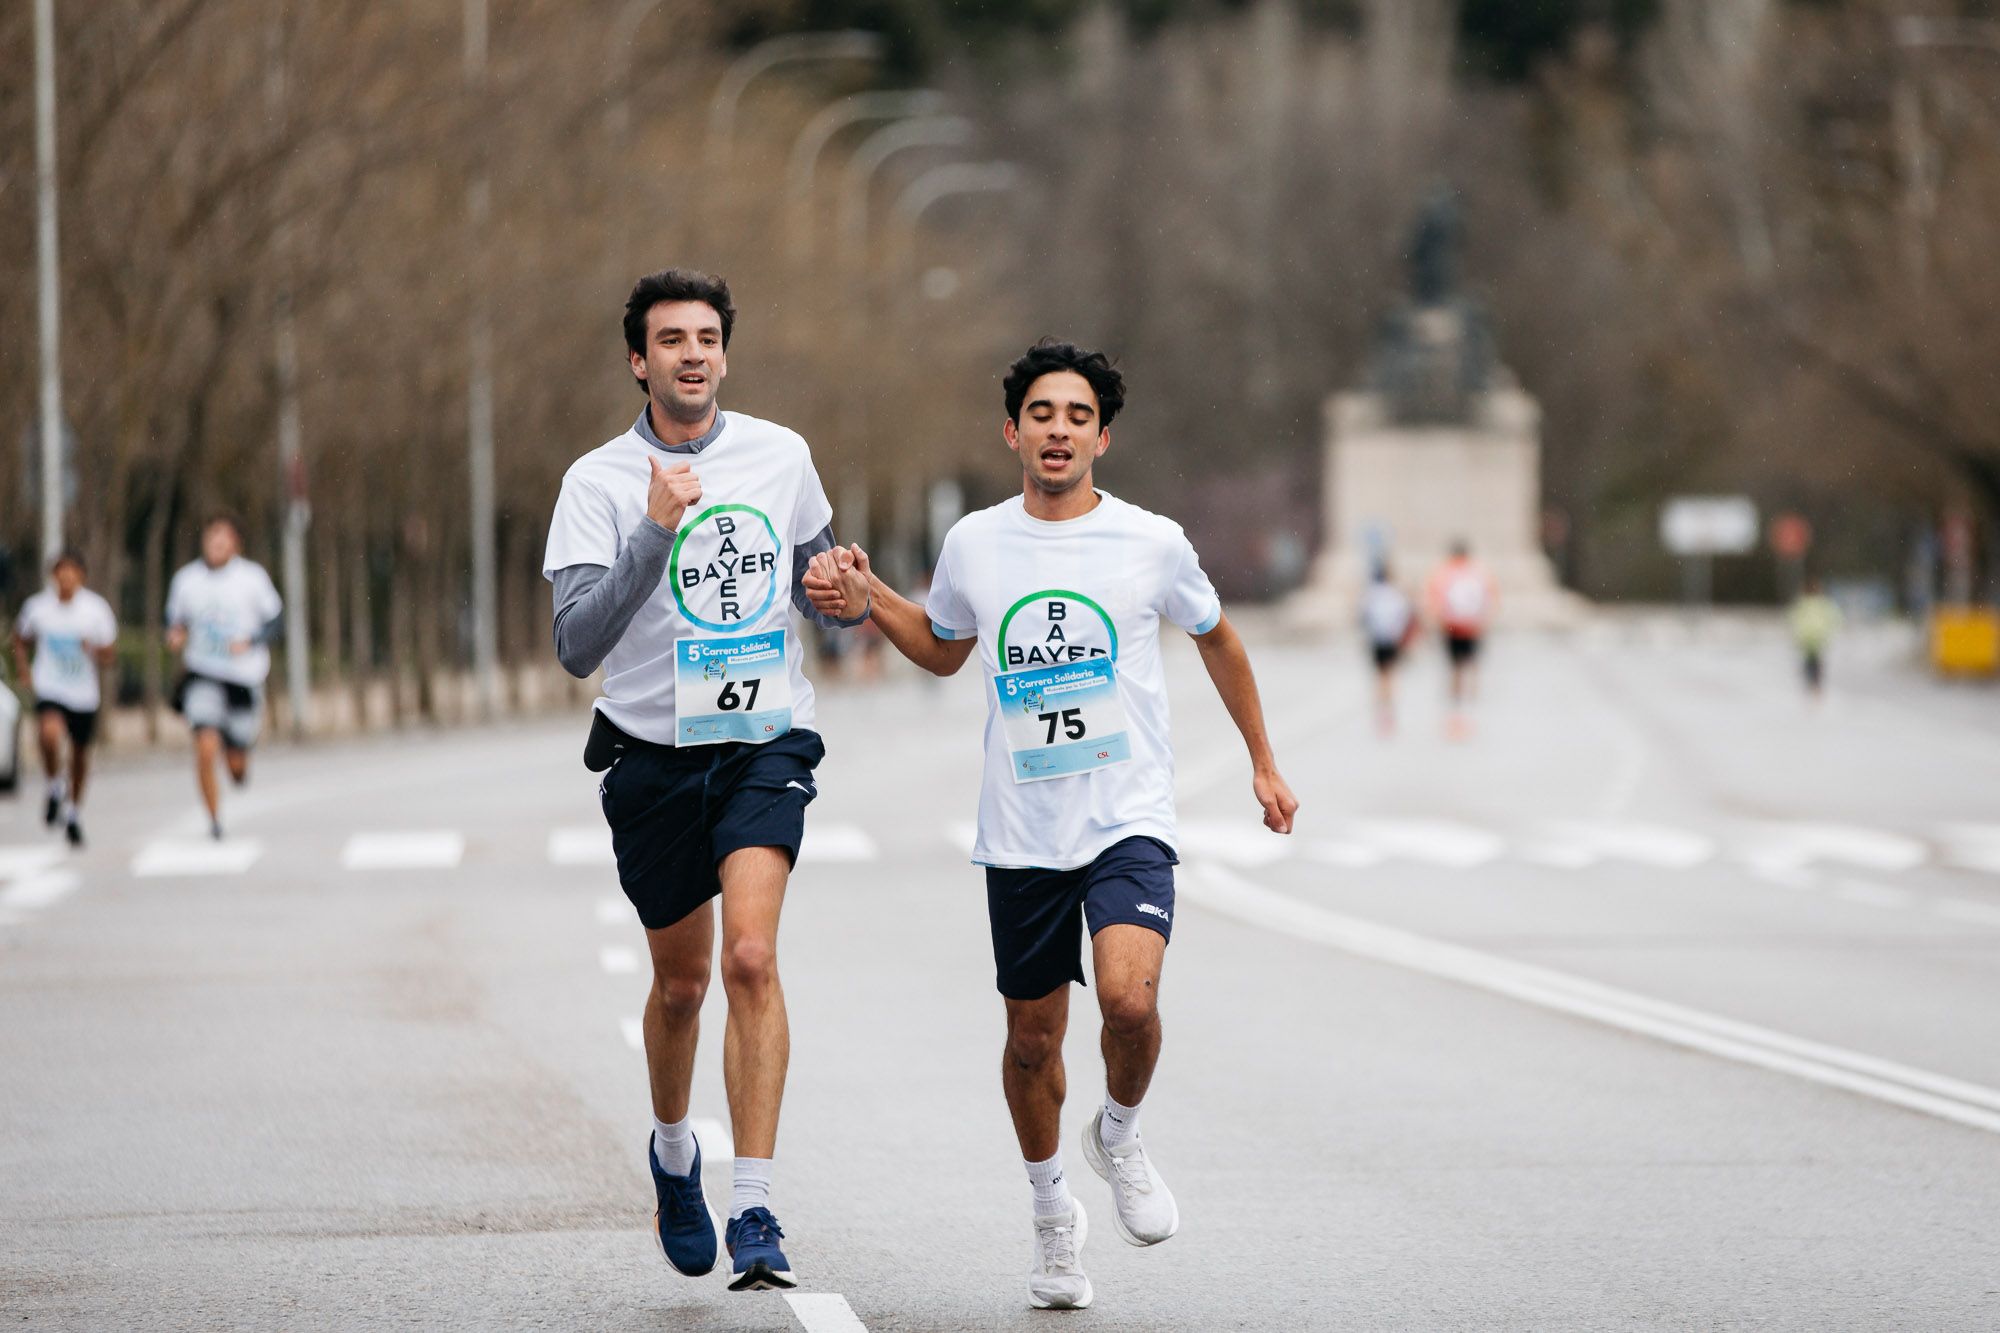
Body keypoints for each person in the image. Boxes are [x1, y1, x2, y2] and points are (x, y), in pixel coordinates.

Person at [804, 339, 1298, 1311]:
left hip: (1126, 816)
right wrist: (872, 603)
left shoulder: (1150, 541)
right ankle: (1050, 1216)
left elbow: (1217, 637)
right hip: (1023, 827)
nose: (1058, 428)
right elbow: (944, 649)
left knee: (1127, 1002)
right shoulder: (977, 544)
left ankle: (1117, 1129)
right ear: (1012, 430)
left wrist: (1263, 762)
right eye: (1041, 413)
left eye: (1077, 415)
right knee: (1032, 1039)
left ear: (1101, 435)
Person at [543, 268, 865, 1294]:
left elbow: (821, 590)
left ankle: (756, 1204)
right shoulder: (594, 482)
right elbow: (574, 642)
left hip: (764, 741)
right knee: (681, 985)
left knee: (752, 959)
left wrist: (839, 596)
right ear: (638, 360)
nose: (691, 352)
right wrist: (652, 532)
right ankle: (675, 1151)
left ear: (725, 353)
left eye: (707, 337)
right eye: (669, 338)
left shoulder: (781, 456)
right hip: (649, 754)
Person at [165, 516, 282, 841]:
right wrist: (175, 634)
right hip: (203, 672)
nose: (215, 547)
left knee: (235, 765)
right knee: (205, 746)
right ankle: (214, 819)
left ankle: (239, 759)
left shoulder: (252, 578)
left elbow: (276, 621)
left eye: (222, 541)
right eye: (210, 539)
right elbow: (176, 620)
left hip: (243, 676)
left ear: (234, 544)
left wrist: (252, 640)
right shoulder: (186, 580)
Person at [11, 551, 118, 847]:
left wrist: (94, 649)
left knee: (80, 756)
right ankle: (54, 784)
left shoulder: (95, 610)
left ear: (81, 576)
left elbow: (111, 655)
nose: (66, 579)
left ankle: (72, 812)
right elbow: (19, 639)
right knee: (48, 733)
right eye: (61, 573)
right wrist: (23, 670)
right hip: (50, 687)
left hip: (83, 694)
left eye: (72, 573)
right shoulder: (37, 608)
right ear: (53, 576)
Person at [1424, 538, 1495, 735]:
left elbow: (1434, 601)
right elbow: (1490, 599)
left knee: (1455, 668)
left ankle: (1456, 712)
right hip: (1473, 626)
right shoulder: (1479, 573)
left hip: (1452, 627)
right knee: (1472, 666)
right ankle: (1471, 708)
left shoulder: (1443, 573)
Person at [1359, 562, 1414, 735]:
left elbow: (1363, 617)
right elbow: (1405, 617)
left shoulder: (1371, 594)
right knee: (1390, 675)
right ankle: (1389, 711)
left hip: (1377, 639)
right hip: (1391, 639)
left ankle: (1380, 710)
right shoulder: (1396, 595)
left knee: (1380, 676)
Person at [1789, 577, 1842, 699]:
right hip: (1810, 637)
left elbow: (1833, 618)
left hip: (1814, 637)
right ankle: (1813, 683)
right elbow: (1795, 619)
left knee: (1814, 661)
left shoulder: (1813, 604)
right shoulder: (1810, 604)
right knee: (1812, 660)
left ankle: (1814, 683)